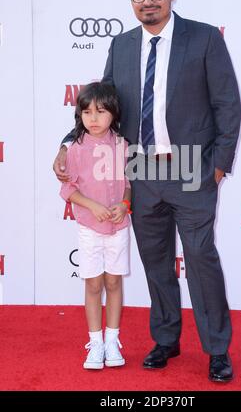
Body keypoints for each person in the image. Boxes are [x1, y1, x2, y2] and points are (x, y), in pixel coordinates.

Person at [54, 0, 241, 382]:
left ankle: (216, 349)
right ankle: (167, 339)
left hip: (194, 167)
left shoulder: (205, 39)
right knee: (156, 262)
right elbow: (100, 108)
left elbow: (227, 107)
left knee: (200, 259)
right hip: (138, 169)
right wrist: (68, 146)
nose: (148, 1)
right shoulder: (121, 46)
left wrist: (218, 167)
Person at [59, 82, 131, 370]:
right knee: (93, 284)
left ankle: (112, 340)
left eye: (101, 112)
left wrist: (124, 206)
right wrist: (93, 206)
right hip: (89, 227)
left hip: (120, 226)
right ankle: (95, 342)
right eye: (87, 112)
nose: (94, 118)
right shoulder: (75, 149)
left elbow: (128, 184)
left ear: (113, 113)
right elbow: (68, 190)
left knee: (113, 282)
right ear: (80, 115)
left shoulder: (123, 145)